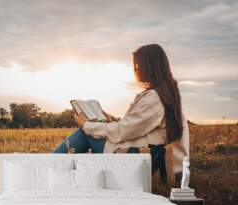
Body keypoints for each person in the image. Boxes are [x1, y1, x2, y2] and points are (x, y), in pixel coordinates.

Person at [53, 43, 189, 173]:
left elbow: (123, 131)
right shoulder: (167, 93)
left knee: (86, 134)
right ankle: (62, 168)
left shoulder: (153, 98)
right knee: (91, 133)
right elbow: (137, 128)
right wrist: (112, 122)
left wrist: (86, 125)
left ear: (149, 67)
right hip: (148, 153)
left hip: (139, 156)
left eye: (137, 65)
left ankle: (48, 164)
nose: (135, 70)